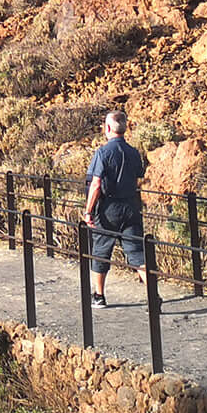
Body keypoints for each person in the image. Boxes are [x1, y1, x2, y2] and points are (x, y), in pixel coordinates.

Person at [82, 108, 147, 307]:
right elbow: (139, 177)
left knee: (101, 251)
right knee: (137, 252)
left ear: (108, 127)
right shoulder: (134, 152)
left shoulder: (102, 153)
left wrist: (88, 211)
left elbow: (96, 183)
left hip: (108, 210)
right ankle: (153, 295)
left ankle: (99, 296)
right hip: (131, 207)